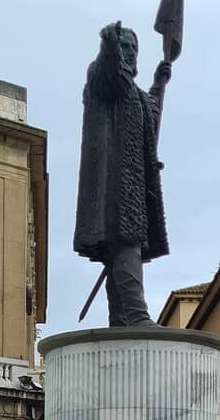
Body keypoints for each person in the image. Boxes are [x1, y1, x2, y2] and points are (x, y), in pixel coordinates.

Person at [73, 22, 172, 327]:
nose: (129, 53)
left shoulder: (138, 96)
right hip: (112, 186)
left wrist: (159, 84)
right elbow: (109, 71)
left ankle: (120, 319)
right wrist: (109, 41)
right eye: (125, 47)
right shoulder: (102, 79)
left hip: (134, 187)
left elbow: (150, 123)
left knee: (122, 251)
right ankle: (137, 316)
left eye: (133, 48)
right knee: (126, 244)